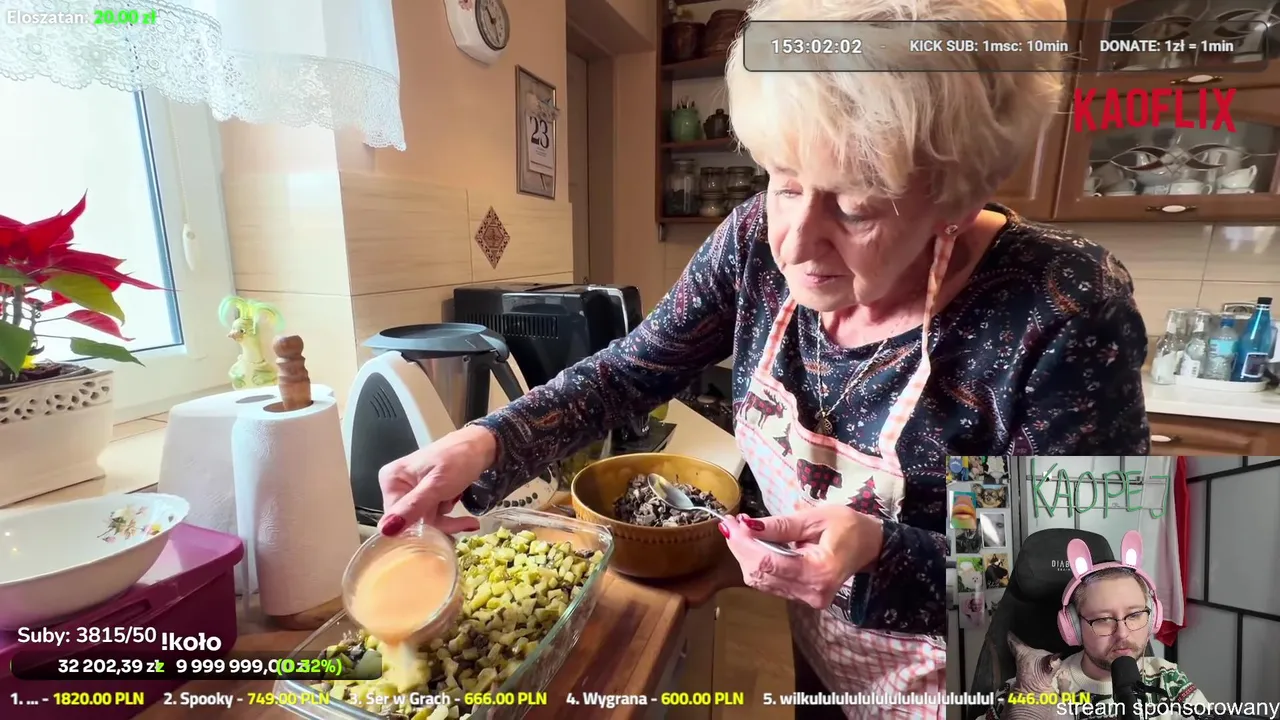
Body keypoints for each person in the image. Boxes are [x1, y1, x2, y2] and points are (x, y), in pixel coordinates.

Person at [379, 0, 1150, 716]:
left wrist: (879, 552)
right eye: (782, 182)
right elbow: (628, 372)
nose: (797, 242)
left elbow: (1080, 576)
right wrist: (483, 444)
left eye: (855, 205)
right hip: (828, 664)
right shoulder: (753, 242)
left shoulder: (1060, 308)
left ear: (958, 191)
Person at [998, 532, 1207, 720]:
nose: (1122, 634)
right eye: (1103, 619)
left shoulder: (1169, 680)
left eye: (1135, 615)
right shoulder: (1033, 688)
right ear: (1073, 627)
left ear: (1153, 617)